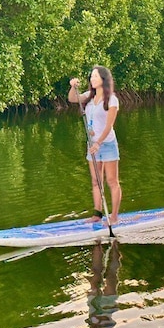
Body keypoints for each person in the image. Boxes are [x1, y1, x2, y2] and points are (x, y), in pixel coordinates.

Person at [69, 66, 122, 224]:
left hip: (107, 144)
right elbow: (73, 99)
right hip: (92, 145)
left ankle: (114, 217)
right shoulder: (89, 97)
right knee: (95, 181)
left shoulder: (111, 99)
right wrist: (73, 86)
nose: (92, 79)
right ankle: (97, 214)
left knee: (111, 180)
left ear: (103, 80)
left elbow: (109, 125)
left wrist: (99, 143)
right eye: (91, 77)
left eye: (96, 77)